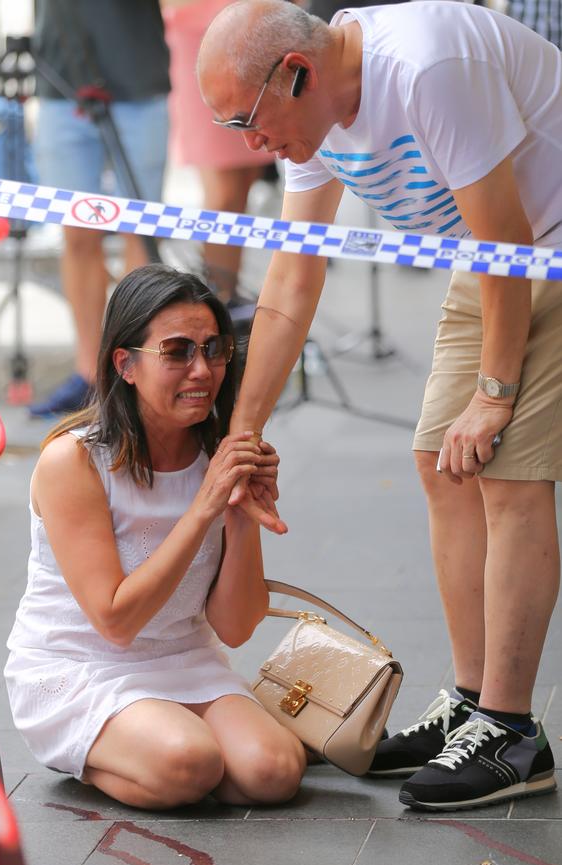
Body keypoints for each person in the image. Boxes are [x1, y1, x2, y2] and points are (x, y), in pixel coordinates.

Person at [197, 0, 561, 811]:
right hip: (497, 253)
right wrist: (243, 434)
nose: (251, 147)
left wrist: (495, 397)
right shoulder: (311, 113)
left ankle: (512, 730)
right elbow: (294, 277)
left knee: (504, 471)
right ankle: (471, 703)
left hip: (545, 246)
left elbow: (506, 243)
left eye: (248, 122)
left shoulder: (424, 66)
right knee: (440, 465)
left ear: (297, 72)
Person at [5, 264, 304, 809]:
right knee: (190, 762)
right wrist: (205, 506)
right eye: (177, 352)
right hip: (80, 667)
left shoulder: (217, 451)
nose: (202, 369)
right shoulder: (72, 461)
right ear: (126, 364)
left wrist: (240, 513)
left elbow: (235, 629)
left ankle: (168, 752)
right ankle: (87, 753)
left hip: (184, 657)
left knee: (275, 771)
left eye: (214, 349)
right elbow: (116, 622)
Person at [28, 0, 170, 418]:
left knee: (140, 233)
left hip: (138, 78)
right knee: (76, 235)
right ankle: (89, 372)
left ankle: (138, 369)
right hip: (60, 80)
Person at [162, 0, 276, 309]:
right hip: (197, 33)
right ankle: (213, 300)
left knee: (243, 182)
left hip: (252, 30)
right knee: (223, 190)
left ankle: (227, 295)